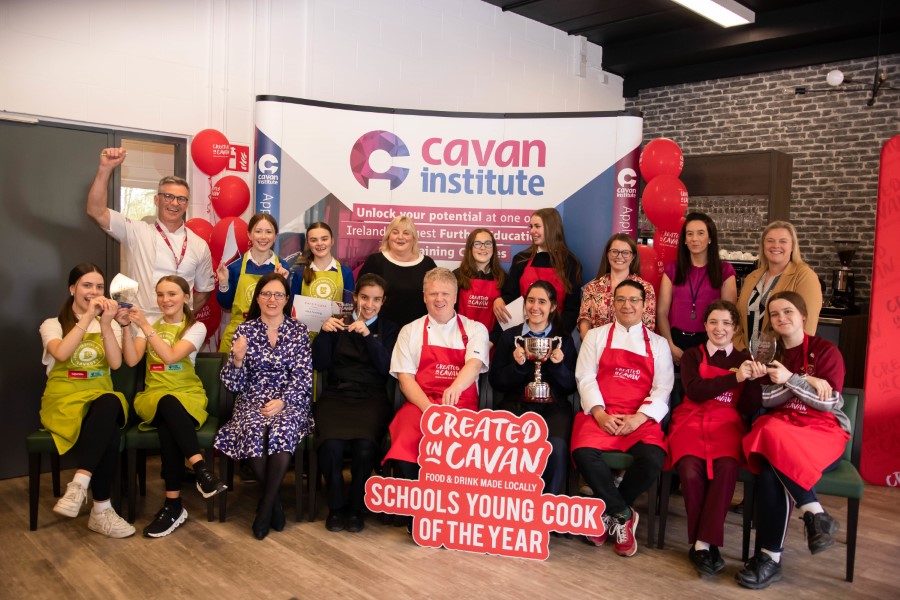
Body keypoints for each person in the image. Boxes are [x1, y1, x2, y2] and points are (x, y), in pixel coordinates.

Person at [736, 291, 851, 590]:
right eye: (774, 315)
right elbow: (766, 399)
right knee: (766, 429)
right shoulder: (769, 356)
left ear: (802, 315)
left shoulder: (827, 352)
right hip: (783, 427)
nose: (781, 318)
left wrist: (790, 379)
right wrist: (801, 379)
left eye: (787, 312)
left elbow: (828, 404)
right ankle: (814, 514)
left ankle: (769, 559)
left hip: (822, 432)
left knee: (768, 448)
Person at [571, 280, 674, 557]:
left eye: (633, 300)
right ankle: (623, 513)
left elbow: (663, 387)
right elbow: (585, 377)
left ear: (644, 305)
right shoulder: (595, 337)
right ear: (612, 303)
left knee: (653, 458)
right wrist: (600, 413)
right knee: (582, 453)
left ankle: (610, 514)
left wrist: (639, 418)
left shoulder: (659, 344)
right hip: (601, 413)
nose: (627, 305)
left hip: (639, 417)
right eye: (621, 300)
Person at [122, 276, 227, 538]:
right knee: (167, 403)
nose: (165, 300)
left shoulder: (196, 327)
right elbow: (133, 359)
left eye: (172, 294)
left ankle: (173, 505)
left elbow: (169, 357)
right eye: (160, 294)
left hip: (187, 394)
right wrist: (126, 327)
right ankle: (201, 470)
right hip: (153, 396)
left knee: (170, 417)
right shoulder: (151, 326)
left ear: (186, 297)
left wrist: (144, 325)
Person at [666, 300, 764, 576]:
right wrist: (735, 379)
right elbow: (695, 391)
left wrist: (753, 380)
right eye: (713, 322)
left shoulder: (744, 360)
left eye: (725, 323)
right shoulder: (691, 356)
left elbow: (746, 409)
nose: (719, 328)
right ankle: (706, 544)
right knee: (689, 468)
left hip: (726, 423)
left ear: (735, 328)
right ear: (705, 325)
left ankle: (702, 543)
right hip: (690, 420)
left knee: (728, 467)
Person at [215, 273, 313, 540]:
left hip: (289, 400)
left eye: (278, 294)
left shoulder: (298, 330)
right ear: (257, 298)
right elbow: (233, 385)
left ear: (286, 299)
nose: (272, 299)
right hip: (252, 399)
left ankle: (265, 509)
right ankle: (275, 504)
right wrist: (236, 360)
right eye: (266, 294)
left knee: (282, 430)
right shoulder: (245, 330)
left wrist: (283, 401)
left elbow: (303, 376)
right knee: (253, 430)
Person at [39, 263, 134, 538]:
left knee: (109, 401)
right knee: (110, 431)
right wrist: (87, 318)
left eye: (99, 287)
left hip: (98, 397)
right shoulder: (52, 324)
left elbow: (116, 364)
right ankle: (101, 510)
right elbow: (61, 353)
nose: (94, 292)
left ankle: (79, 484)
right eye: (87, 286)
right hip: (64, 400)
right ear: (72, 289)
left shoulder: (109, 324)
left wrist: (105, 323)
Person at [311, 274, 399, 533]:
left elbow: (387, 369)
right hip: (336, 396)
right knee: (331, 446)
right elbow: (321, 363)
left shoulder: (391, 328)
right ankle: (337, 507)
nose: (369, 304)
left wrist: (370, 336)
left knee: (364, 447)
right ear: (355, 298)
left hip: (371, 398)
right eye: (364, 297)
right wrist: (324, 335)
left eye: (376, 299)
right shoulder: (339, 324)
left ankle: (355, 508)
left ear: (383, 302)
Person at [86, 147, 215, 322]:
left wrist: (183, 317)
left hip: (178, 331)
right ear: (156, 200)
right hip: (139, 325)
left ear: (186, 204)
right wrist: (105, 168)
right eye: (168, 196)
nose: (174, 203)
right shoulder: (137, 231)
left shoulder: (198, 244)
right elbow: (96, 210)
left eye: (181, 199)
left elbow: (204, 290)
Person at [385, 267, 490, 482]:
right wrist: (430, 411)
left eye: (445, 294)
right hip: (420, 405)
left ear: (455, 297)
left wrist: (456, 387)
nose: (439, 299)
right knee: (405, 442)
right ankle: (412, 507)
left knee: (460, 454)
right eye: (433, 294)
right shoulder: (410, 331)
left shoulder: (476, 329)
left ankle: (448, 510)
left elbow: (474, 363)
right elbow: (405, 380)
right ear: (424, 297)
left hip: (462, 406)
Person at [489, 280, 576, 495]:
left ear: (553, 307)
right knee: (504, 443)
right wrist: (517, 367)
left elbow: (570, 386)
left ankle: (546, 508)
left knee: (556, 448)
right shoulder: (510, 336)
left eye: (542, 301)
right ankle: (508, 503)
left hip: (554, 407)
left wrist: (557, 367)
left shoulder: (563, 339)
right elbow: (496, 380)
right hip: (515, 404)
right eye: (530, 300)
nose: (535, 307)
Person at [657, 213, 737, 365]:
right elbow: (662, 312)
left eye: (701, 233)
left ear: (710, 238)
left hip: (710, 341)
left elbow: (729, 316)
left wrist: (715, 347)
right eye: (689, 234)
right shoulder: (673, 269)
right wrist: (669, 345)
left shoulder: (725, 270)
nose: (694, 239)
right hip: (675, 341)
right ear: (685, 240)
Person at [735, 221, 822, 352]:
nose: (776, 246)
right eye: (770, 240)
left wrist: (791, 358)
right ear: (763, 245)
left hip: (783, 359)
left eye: (783, 241)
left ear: (792, 246)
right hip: (747, 358)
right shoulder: (752, 276)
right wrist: (740, 349)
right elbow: (738, 318)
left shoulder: (805, 276)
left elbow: (807, 326)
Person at [495, 208, 583, 334]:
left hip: (556, 334)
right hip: (522, 333)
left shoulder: (570, 263)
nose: (532, 231)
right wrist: (499, 300)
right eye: (531, 226)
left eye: (537, 226)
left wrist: (556, 336)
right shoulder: (521, 260)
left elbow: (572, 308)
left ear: (551, 228)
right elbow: (511, 297)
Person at [217, 214, 291, 353]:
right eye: (258, 231)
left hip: (270, 336)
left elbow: (287, 309)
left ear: (275, 236)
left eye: (269, 232)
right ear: (249, 235)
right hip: (238, 335)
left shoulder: (282, 268)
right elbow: (226, 305)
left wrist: (283, 283)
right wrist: (223, 282)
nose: (263, 237)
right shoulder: (235, 267)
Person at [358, 215, 437, 327]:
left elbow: (435, 299)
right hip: (380, 332)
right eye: (395, 232)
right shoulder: (375, 261)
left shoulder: (427, 264)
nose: (400, 237)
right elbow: (360, 296)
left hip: (417, 331)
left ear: (413, 238)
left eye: (406, 233)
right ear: (388, 236)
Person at [578, 233, 656, 340]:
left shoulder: (645, 288)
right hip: (596, 349)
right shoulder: (592, 287)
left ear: (633, 256)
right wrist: (591, 346)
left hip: (630, 350)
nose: (619, 256)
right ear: (607, 254)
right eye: (614, 251)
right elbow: (584, 321)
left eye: (625, 252)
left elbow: (648, 326)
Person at [290, 221, 355, 323]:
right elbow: (293, 311)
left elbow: (348, 310)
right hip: (306, 335)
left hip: (335, 334)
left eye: (324, 239)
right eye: (314, 240)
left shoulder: (345, 273)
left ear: (332, 241)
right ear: (308, 243)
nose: (319, 243)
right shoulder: (299, 274)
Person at [454, 228, 506, 340]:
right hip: (459, 341)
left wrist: (491, 342)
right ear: (470, 248)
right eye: (477, 244)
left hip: (491, 345)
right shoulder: (456, 276)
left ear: (493, 248)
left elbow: (507, 320)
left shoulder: (504, 279)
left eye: (488, 243)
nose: (483, 247)